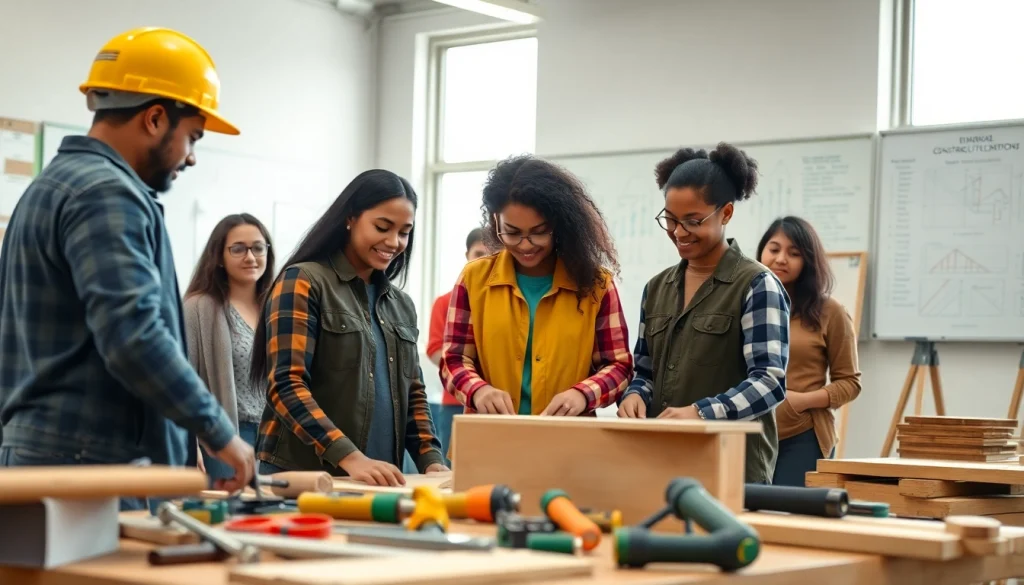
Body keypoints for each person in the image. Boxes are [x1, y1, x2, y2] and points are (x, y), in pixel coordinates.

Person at [0, 27, 254, 506]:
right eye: (193, 137)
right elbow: (133, 335)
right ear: (156, 118)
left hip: (49, 457)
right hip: (89, 463)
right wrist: (221, 432)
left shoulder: (50, 186)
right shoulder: (106, 193)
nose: (192, 157)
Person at [250, 169, 447, 487]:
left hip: (378, 481)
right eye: (382, 227)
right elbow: (286, 386)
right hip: (306, 478)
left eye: (404, 232)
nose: (393, 242)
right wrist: (350, 456)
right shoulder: (303, 281)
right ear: (350, 218)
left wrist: (432, 462)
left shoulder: (401, 304)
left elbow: (414, 393)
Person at [617, 142, 791, 485]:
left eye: (693, 221)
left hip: (731, 470)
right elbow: (645, 368)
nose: (678, 232)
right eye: (670, 219)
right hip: (660, 461)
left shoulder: (757, 285)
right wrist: (635, 394)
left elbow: (769, 382)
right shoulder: (657, 288)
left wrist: (702, 413)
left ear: (725, 213)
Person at [440, 155, 632, 419]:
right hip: (489, 442)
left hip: (568, 446)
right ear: (496, 222)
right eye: (513, 232)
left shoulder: (596, 285)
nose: (526, 245)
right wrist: (479, 391)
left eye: (539, 232)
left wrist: (583, 394)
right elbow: (453, 360)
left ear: (559, 224)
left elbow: (618, 366)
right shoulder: (474, 279)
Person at [756, 216, 861, 486]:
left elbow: (850, 383)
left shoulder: (830, 312)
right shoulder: (746, 305)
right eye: (774, 249)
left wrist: (801, 401)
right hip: (748, 434)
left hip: (802, 437)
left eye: (794, 253)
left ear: (808, 262)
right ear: (761, 252)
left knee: (789, 521)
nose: (781, 259)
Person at [184, 213, 276, 480]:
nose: (250, 257)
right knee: (231, 518)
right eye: (238, 249)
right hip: (227, 436)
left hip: (276, 440)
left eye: (258, 248)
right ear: (219, 257)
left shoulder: (277, 306)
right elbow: (183, 381)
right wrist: (191, 446)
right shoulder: (199, 307)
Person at [426, 227, 493, 461]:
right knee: (453, 469)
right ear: (467, 255)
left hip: (498, 405)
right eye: (478, 253)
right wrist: (469, 372)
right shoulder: (446, 302)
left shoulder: (504, 301)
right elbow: (436, 350)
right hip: (456, 402)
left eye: (491, 253)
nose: (484, 260)